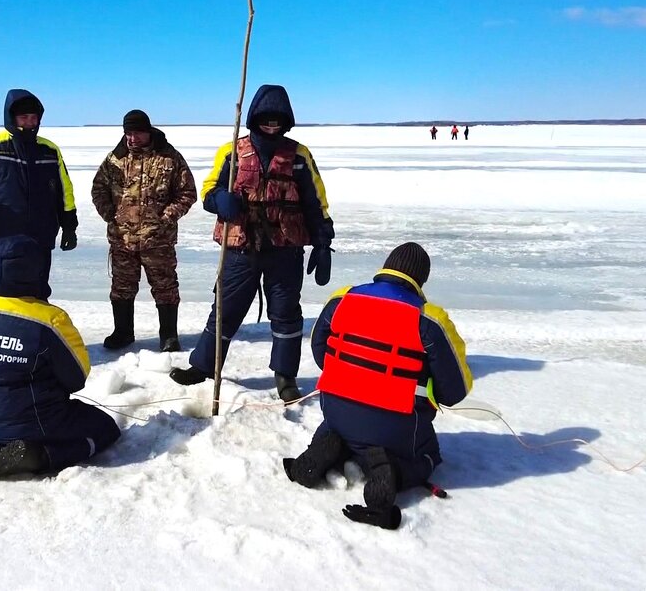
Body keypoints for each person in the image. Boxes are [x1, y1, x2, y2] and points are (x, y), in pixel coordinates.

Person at [283, 242, 472, 530]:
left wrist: (351, 373)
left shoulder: (342, 298)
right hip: (394, 426)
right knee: (429, 453)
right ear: (421, 279)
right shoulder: (429, 318)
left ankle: (322, 452)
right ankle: (392, 472)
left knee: (341, 426)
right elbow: (455, 390)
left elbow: (319, 349)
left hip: (336, 410)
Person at [168, 84, 334, 403]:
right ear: (254, 119)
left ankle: (285, 376)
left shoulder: (299, 155)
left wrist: (323, 242)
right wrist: (220, 200)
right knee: (225, 310)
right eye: (265, 121)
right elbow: (208, 191)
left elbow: (316, 202)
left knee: (286, 312)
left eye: (277, 122)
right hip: (240, 248)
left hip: (285, 249)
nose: (271, 128)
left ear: (286, 122)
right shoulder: (232, 150)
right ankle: (203, 366)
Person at [0, 235, 121, 479]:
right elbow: (76, 377)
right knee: (105, 429)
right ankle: (40, 455)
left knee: (4, 418)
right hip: (41, 422)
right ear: (35, 269)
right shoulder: (49, 319)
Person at [91, 109, 197, 352]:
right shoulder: (114, 159)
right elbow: (98, 189)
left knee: (165, 287)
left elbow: (187, 193)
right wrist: (111, 214)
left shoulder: (169, 158)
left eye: (137, 133)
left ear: (148, 132)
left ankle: (168, 335)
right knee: (122, 287)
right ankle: (123, 332)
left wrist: (166, 218)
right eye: (128, 133)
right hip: (122, 239)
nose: (132, 138)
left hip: (158, 240)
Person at [0, 89, 77, 300]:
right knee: (6, 290)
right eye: (24, 118)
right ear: (12, 117)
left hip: (40, 235)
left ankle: (37, 331)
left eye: (33, 118)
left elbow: (64, 189)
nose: (29, 123)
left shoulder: (49, 150)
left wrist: (69, 225)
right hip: (3, 236)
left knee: (39, 289)